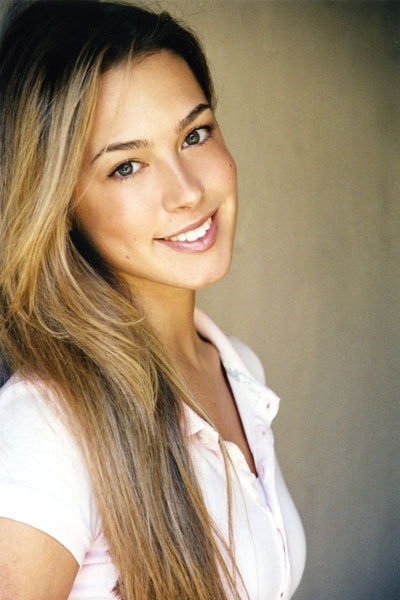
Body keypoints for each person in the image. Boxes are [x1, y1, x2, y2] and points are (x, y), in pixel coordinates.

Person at [0, 1, 306, 599]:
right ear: (59, 202)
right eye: (127, 167)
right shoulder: (46, 426)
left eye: (195, 134)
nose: (188, 192)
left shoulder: (235, 366)